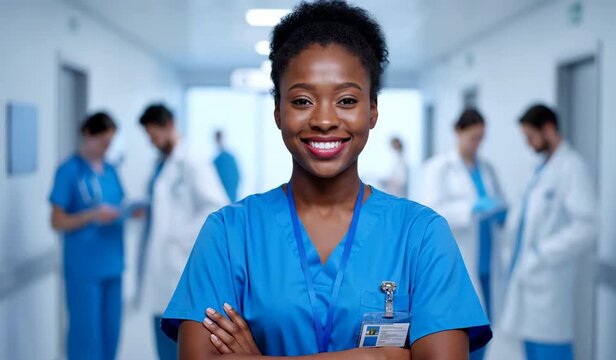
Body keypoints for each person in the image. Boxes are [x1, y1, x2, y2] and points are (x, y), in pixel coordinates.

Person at [160, 1, 492, 358]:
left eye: (347, 100)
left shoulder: (422, 234)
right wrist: (384, 355)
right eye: (302, 101)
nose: (323, 120)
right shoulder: (228, 233)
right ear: (277, 112)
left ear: (373, 111)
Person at [500, 104, 597, 360]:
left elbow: (587, 227)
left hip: (549, 283)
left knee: (551, 351)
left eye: (531, 137)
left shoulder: (571, 168)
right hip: (530, 281)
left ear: (549, 129)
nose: (528, 144)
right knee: (532, 349)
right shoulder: (541, 168)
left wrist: (542, 253)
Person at [137, 104, 229, 360]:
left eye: (154, 136)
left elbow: (215, 207)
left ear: (168, 126)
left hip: (180, 266)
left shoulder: (193, 160)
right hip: (164, 271)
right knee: (164, 345)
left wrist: (177, 235)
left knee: (176, 347)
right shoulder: (166, 163)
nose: (152, 142)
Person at [420, 108, 506, 360]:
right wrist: (470, 208)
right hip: (461, 261)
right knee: (462, 333)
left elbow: (497, 200)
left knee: (484, 329)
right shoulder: (439, 168)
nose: (477, 144)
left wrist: (501, 211)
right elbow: (431, 211)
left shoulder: (487, 169)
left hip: (487, 264)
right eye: (472, 138)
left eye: (481, 138)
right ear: (458, 132)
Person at [49, 112, 125, 360]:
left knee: (110, 335)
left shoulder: (111, 170)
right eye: (103, 141)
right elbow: (56, 220)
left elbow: (120, 203)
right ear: (87, 135)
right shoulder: (69, 170)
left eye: (110, 143)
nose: (107, 147)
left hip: (113, 264)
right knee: (86, 336)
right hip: (84, 268)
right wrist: (91, 216)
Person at [213, 130, 241, 202]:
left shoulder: (228, 159)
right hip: (222, 198)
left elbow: (237, 177)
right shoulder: (217, 160)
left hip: (227, 197)